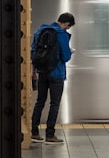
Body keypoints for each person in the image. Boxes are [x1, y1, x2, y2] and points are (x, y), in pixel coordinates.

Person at [29, 12, 75, 144]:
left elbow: (33, 52)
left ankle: (34, 132)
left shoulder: (40, 31)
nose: (67, 29)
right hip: (57, 74)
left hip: (42, 72)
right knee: (54, 104)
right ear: (66, 23)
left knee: (40, 102)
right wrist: (70, 52)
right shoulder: (61, 34)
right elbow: (65, 57)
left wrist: (34, 71)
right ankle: (50, 135)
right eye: (68, 26)